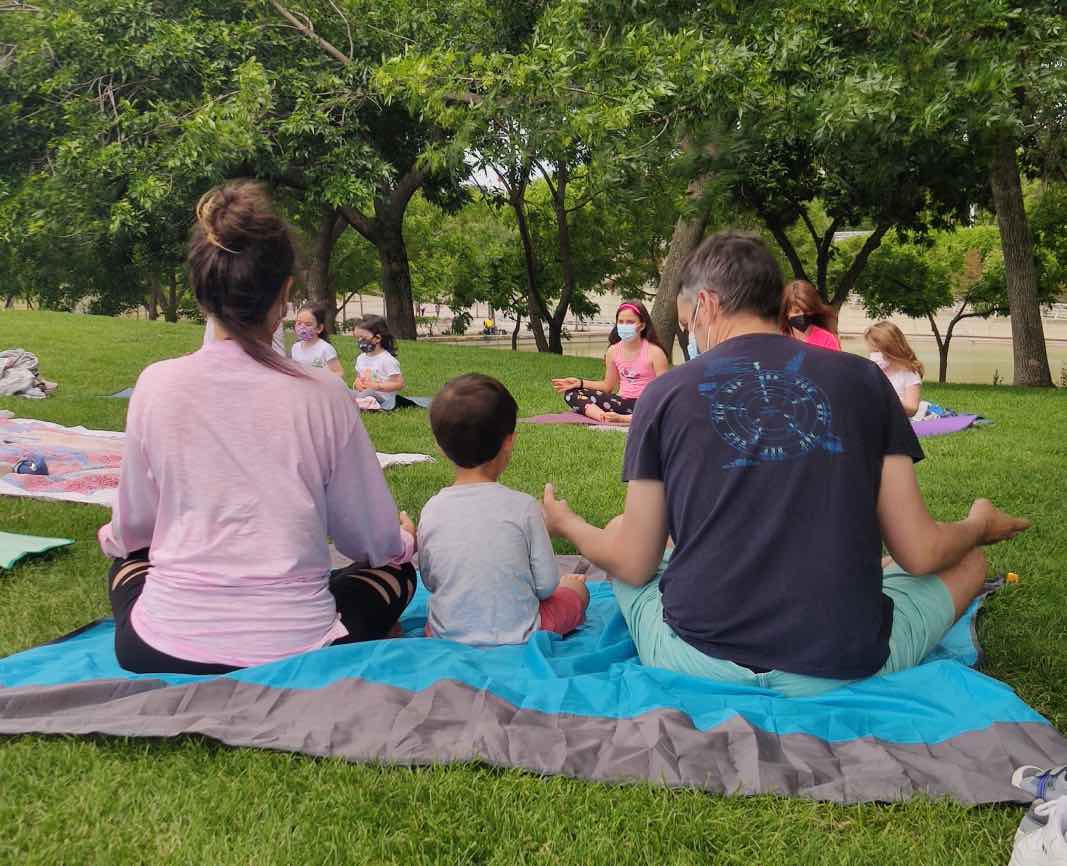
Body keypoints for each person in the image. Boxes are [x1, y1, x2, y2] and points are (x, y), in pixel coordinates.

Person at [541, 230, 1030, 698]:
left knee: (623, 531)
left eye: (686, 320)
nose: (688, 333)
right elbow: (920, 552)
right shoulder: (863, 381)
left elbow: (633, 562)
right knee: (968, 560)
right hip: (841, 662)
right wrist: (976, 525)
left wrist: (568, 523)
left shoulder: (665, 394)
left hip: (695, 658)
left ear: (706, 304)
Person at [98, 181, 417, 675]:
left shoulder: (155, 385)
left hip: (159, 643)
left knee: (125, 562)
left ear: (200, 291)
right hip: (298, 642)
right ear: (286, 293)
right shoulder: (323, 395)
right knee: (396, 569)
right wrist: (401, 541)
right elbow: (368, 540)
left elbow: (132, 531)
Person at [419, 374, 589, 645]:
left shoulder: (431, 509)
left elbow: (429, 580)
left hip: (445, 632)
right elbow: (546, 586)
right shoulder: (524, 507)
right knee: (576, 590)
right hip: (524, 632)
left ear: (439, 446)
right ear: (509, 440)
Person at [551, 300, 670, 424]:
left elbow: (664, 392)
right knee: (571, 394)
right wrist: (580, 383)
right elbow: (607, 386)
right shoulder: (613, 351)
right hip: (620, 402)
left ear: (642, 326)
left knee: (660, 406)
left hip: (645, 404)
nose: (624, 326)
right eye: (621, 322)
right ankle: (604, 417)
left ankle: (624, 419)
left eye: (630, 322)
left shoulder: (655, 352)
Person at [865, 321, 926, 419]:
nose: (873, 355)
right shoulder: (870, 371)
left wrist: (887, 397)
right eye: (871, 351)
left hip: (895, 424)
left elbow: (912, 409)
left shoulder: (909, 374)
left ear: (891, 350)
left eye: (876, 351)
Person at [353, 314, 405, 411]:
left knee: (368, 395)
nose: (359, 341)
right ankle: (355, 402)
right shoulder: (360, 358)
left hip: (382, 398)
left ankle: (357, 403)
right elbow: (358, 377)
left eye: (363, 338)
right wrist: (357, 383)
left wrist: (377, 386)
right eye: (357, 338)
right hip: (363, 393)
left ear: (377, 338)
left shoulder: (387, 360)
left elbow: (399, 384)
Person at [780, 279, 841, 350]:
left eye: (806, 310)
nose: (802, 315)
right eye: (796, 311)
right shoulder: (777, 338)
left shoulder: (827, 339)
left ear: (814, 310)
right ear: (786, 312)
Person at [291, 302, 344, 377]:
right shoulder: (295, 347)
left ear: (319, 328)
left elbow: (339, 372)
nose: (302, 328)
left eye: (308, 324)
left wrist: (322, 380)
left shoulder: (325, 349)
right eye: (299, 323)